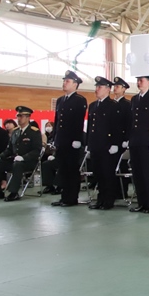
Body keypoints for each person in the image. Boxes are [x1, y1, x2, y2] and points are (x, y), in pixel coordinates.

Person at [0, 106, 43, 202]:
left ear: (28, 117)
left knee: (17, 164)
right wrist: (0, 156)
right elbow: (9, 150)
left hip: (28, 161)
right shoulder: (15, 132)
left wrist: (23, 157)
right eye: (17, 116)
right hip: (15, 160)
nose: (18, 118)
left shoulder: (34, 132)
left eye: (21, 116)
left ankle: (13, 192)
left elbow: (37, 151)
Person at [49, 71, 88, 206]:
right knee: (63, 170)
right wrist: (54, 138)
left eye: (67, 81)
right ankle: (64, 196)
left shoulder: (79, 100)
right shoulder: (60, 100)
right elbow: (57, 120)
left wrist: (77, 138)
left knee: (72, 170)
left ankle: (72, 198)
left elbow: (78, 121)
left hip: (72, 141)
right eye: (64, 80)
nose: (64, 83)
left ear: (75, 84)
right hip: (62, 141)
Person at [125, 75, 149, 213]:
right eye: (138, 80)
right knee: (137, 174)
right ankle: (141, 203)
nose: (139, 82)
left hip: (148, 141)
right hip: (135, 140)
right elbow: (132, 121)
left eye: (142, 80)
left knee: (147, 174)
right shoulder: (135, 99)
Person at [86, 76, 125, 210]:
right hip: (96, 145)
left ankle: (108, 201)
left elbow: (117, 126)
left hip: (108, 146)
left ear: (108, 89)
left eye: (100, 87)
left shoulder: (113, 105)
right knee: (98, 174)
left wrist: (115, 143)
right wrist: (88, 143)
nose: (97, 89)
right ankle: (100, 200)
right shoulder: (93, 106)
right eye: (96, 87)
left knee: (107, 174)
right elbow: (91, 126)